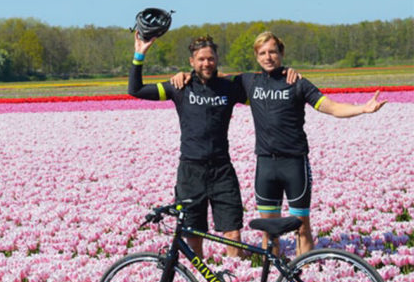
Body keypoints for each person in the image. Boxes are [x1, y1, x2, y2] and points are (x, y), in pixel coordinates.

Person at [240, 31, 386, 255]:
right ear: (256, 56)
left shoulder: (297, 83)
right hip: (266, 164)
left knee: (301, 227)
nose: (268, 57)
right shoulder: (249, 81)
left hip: (294, 164)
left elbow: (332, 107)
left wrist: (363, 109)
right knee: (269, 232)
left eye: (272, 52)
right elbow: (214, 78)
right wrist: (187, 75)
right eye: (262, 53)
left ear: (281, 53)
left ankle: (304, 274)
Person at [130, 34, 249, 259]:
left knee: (233, 231)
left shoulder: (228, 87)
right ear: (191, 62)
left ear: (217, 60)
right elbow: (136, 90)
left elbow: (262, 92)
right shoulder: (180, 87)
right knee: (193, 232)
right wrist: (139, 55)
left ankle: (236, 279)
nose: (206, 63)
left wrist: (286, 75)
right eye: (201, 59)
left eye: (211, 59)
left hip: (222, 169)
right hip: (191, 170)